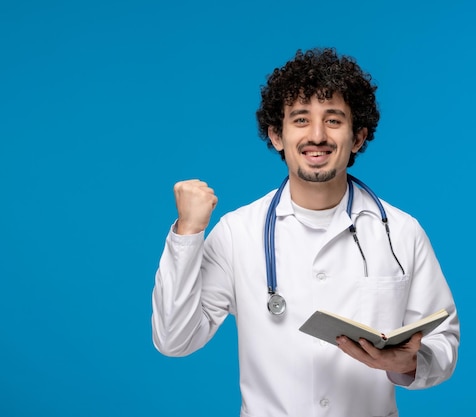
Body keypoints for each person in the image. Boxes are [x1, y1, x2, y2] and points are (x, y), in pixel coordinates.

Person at [152, 47, 460, 417]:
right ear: (277, 135)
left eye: (333, 120)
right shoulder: (238, 233)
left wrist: (405, 364)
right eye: (300, 120)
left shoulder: (401, 232)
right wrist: (187, 233)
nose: (317, 135)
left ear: (358, 137)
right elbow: (174, 339)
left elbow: (444, 344)